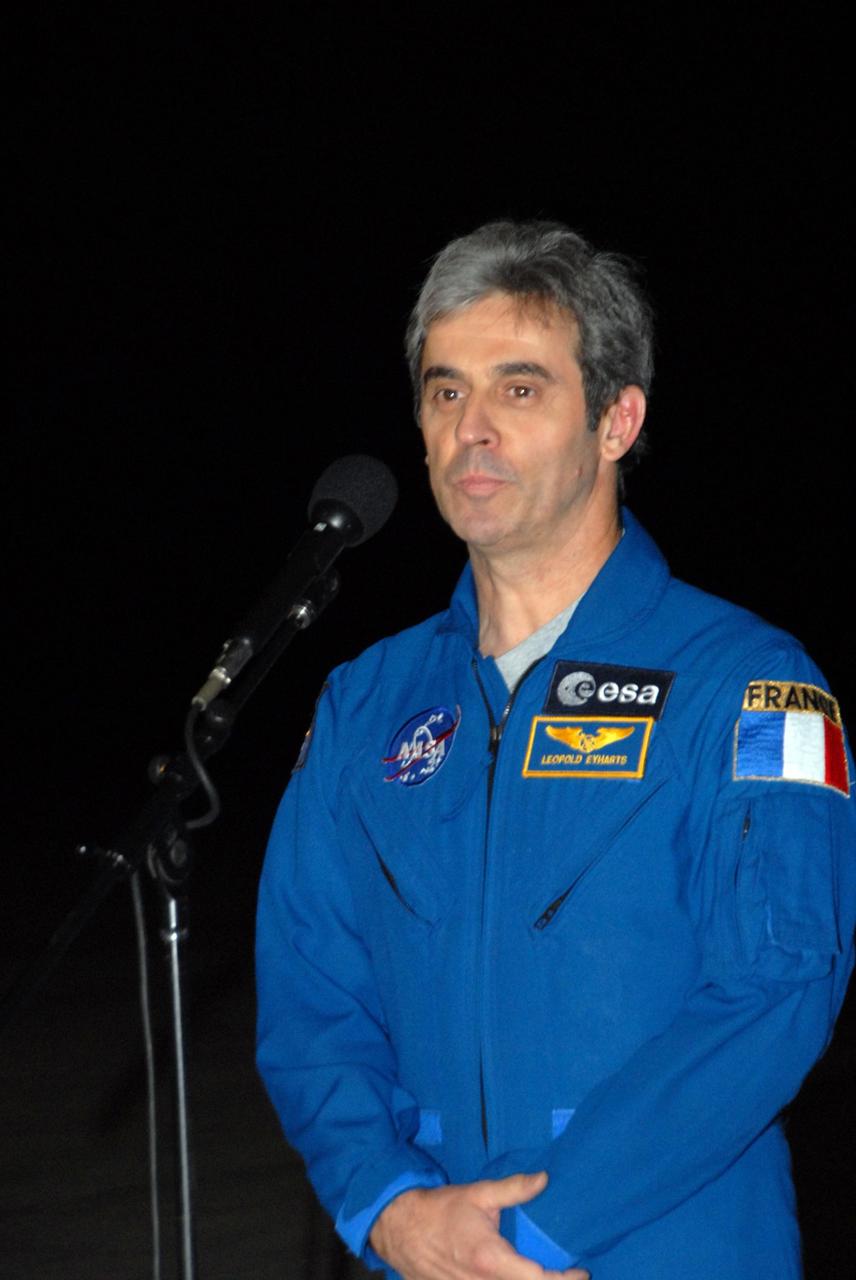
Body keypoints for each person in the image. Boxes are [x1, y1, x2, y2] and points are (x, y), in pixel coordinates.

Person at [255, 220, 856, 1279]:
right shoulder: (366, 703)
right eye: (445, 390)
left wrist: (528, 1238)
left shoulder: (751, 684)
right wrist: (388, 1207)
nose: (471, 429)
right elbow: (311, 996)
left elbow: (775, 992)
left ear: (616, 419)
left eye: (519, 388)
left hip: (661, 1250)